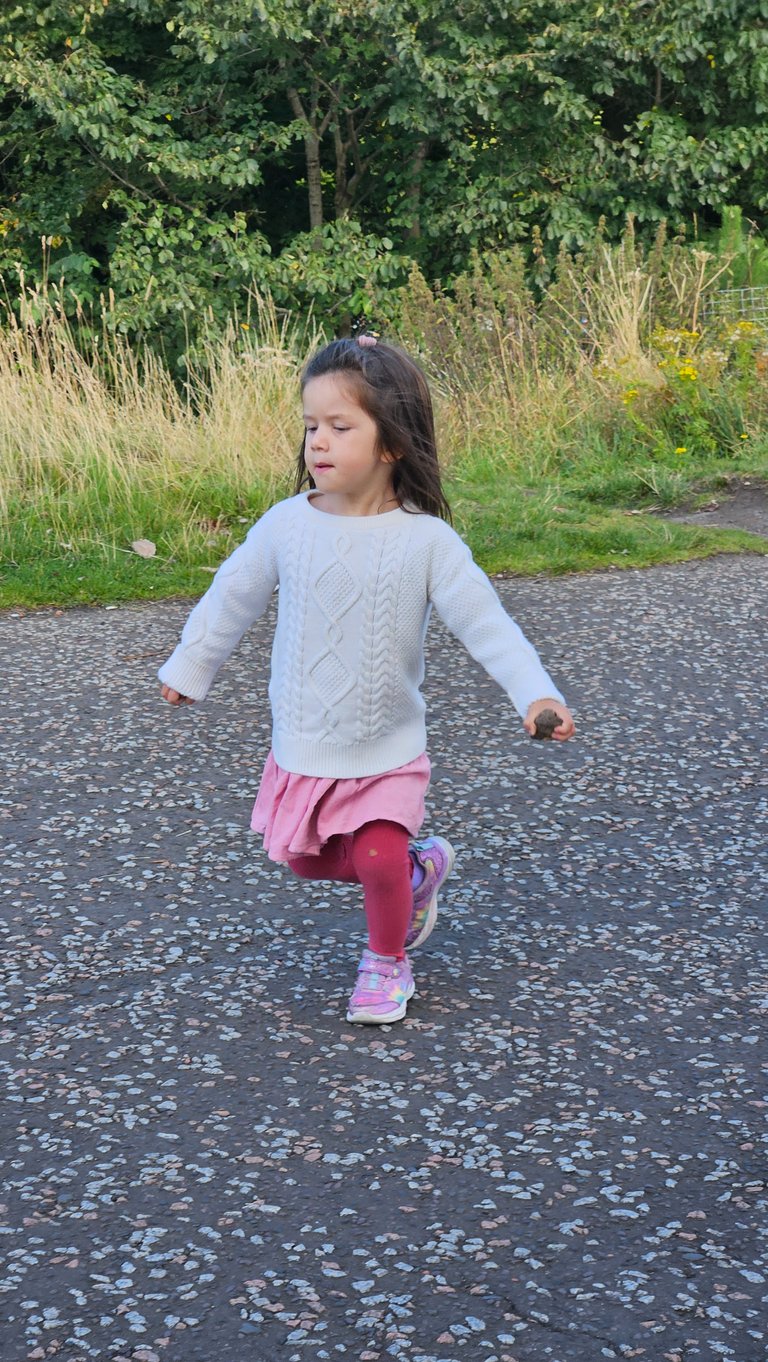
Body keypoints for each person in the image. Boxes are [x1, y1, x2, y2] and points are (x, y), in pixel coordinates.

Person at [158, 335, 575, 1025]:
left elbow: (486, 624)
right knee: (305, 862)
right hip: (306, 740)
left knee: (377, 853)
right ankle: (419, 873)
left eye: (340, 426)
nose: (317, 442)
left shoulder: (427, 542)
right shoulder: (285, 526)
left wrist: (536, 694)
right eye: (310, 426)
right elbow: (231, 595)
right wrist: (190, 666)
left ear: (392, 444)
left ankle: (386, 963)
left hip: (387, 746)